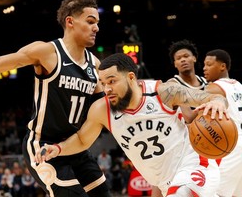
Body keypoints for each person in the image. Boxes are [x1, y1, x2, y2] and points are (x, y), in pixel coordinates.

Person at [0, 0, 111, 197]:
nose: (96, 27)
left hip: (75, 147)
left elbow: (105, 109)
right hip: (43, 146)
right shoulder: (46, 52)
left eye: (97, 22)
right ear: (70, 21)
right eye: (90, 21)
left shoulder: (95, 65)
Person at [35, 53, 229, 197]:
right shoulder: (102, 109)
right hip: (163, 183)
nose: (107, 88)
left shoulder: (164, 92)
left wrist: (217, 102)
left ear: (130, 78)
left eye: (112, 81)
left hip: (195, 165)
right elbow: (82, 139)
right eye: (103, 82)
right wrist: (58, 148)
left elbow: (214, 96)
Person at [151, 39, 208, 197]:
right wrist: (210, 101)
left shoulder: (206, 83)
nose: (183, 60)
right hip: (176, 142)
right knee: (163, 183)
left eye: (186, 56)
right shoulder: (174, 85)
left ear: (194, 58)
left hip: (201, 141)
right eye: (178, 58)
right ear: (175, 64)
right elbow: (189, 117)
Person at [203, 49, 242, 197]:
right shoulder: (239, 85)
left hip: (230, 144)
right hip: (238, 143)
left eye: (209, 64)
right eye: (204, 65)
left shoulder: (213, 88)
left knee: (216, 193)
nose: (204, 68)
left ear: (222, 66)